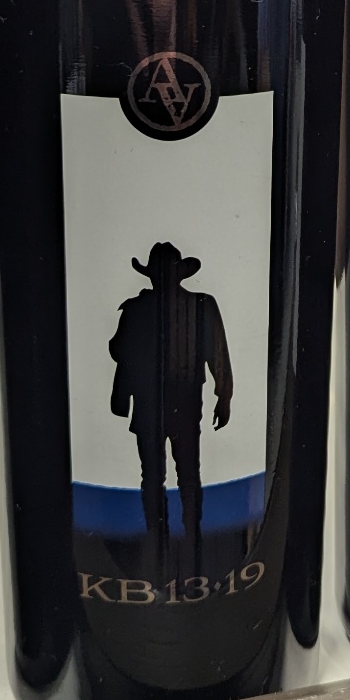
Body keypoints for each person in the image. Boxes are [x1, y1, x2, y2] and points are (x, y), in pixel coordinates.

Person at [109, 241, 233, 565]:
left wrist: (224, 395)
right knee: (167, 476)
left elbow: (217, 352)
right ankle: (170, 539)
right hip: (164, 401)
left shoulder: (196, 306)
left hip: (176, 402)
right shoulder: (144, 308)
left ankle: (181, 538)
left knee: (172, 476)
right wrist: (223, 397)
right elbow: (120, 349)